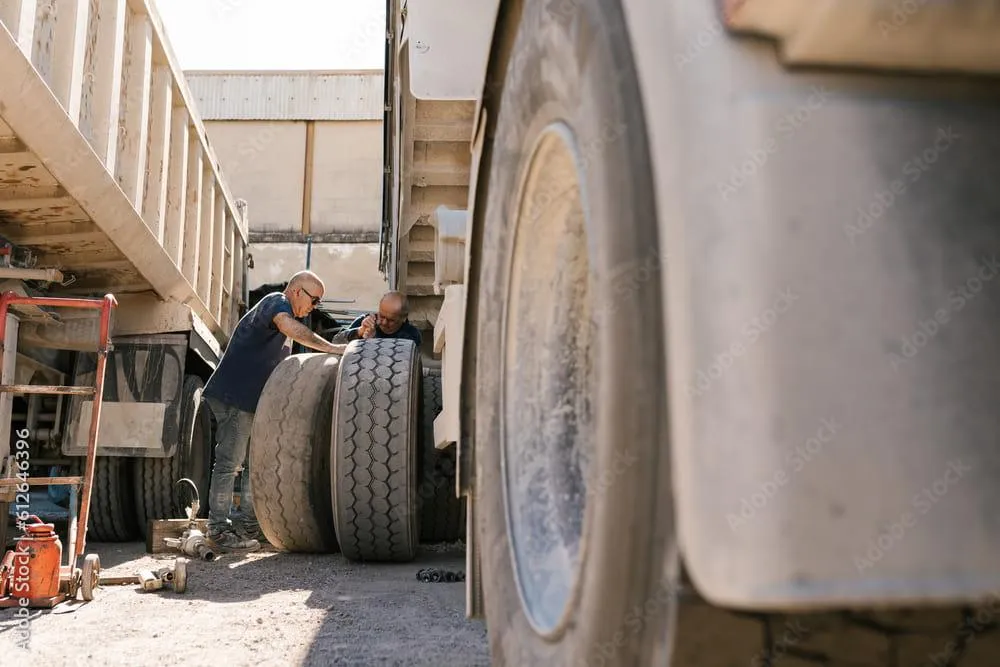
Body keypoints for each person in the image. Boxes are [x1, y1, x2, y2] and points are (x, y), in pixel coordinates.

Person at [201, 270, 346, 552]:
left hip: (252, 403)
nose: (314, 307)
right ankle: (218, 531)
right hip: (235, 398)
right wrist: (332, 348)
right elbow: (290, 327)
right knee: (230, 463)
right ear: (297, 292)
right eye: (314, 300)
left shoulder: (286, 317)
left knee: (253, 466)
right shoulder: (276, 302)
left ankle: (247, 527)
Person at [331, 290, 422, 346]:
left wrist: (373, 341)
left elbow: (400, 362)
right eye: (382, 316)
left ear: (403, 318)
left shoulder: (411, 335)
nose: (384, 322)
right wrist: (360, 331)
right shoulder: (365, 321)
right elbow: (335, 342)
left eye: (391, 320)